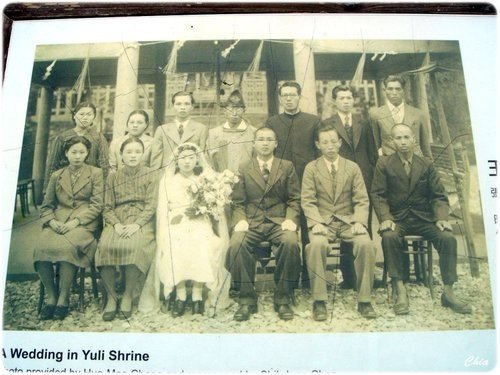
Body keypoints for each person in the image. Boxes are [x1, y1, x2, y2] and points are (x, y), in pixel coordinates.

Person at [371, 123, 471, 315]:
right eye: (398, 138)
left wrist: (441, 217)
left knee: (448, 238)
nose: (403, 142)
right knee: (389, 236)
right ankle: (399, 289)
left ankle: (449, 292)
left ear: (414, 140)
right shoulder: (384, 163)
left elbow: (438, 196)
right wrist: (385, 217)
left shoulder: (426, 164)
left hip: (424, 218)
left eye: (406, 137)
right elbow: (378, 194)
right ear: (392, 142)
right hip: (398, 219)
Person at [141, 142, 231, 317]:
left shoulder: (205, 179)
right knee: (175, 243)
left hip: (200, 219)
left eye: (191, 158)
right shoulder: (168, 181)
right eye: (183, 158)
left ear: (197, 160)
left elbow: (214, 206)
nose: (187, 162)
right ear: (176, 161)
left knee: (205, 242)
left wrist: (203, 208)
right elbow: (163, 209)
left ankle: (197, 295)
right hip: (175, 220)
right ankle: (181, 295)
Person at [302, 125, 377, 321]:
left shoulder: (352, 167)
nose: (330, 146)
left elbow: (362, 199)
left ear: (340, 143)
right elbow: (307, 200)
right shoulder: (311, 168)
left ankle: (365, 300)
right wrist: (316, 222)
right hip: (323, 222)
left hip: (348, 221)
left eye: (334, 142)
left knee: (366, 244)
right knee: (316, 245)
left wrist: (360, 221)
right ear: (318, 145)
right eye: (325, 142)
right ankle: (319, 300)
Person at [225, 127, 301, 321]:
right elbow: (238, 201)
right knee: (236, 244)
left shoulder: (286, 166)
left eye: (269, 139)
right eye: (261, 139)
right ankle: (246, 299)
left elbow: (294, 198)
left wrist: (290, 219)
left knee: (291, 242)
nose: (265, 143)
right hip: (252, 221)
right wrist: (240, 220)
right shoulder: (244, 167)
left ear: (276, 144)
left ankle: (283, 298)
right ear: (254, 143)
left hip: (278, 222)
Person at [34, 136, 103, 321]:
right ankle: (51, 297)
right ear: (66, 153)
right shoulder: (57, 175)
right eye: (73, 152)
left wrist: (75, 222)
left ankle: (63, 298)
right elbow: (46, 206)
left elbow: (97, 206)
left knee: (67, 248)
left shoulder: (96, 173)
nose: (78, 156)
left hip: (84, 224)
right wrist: (52, 222)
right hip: (58, 222)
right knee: (41, 249)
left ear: (87, 153)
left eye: (82, 152)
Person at [265, 81, 322, 284]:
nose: (289, 98)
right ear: (280, 99)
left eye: (293, 94)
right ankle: (289, 278)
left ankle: (309, 277)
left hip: (308, 182)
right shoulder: (272, 123)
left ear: (299, 97)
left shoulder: (313, 121)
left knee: (309, 229)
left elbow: (318, 154)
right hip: (282, 185)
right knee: (287, 231)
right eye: (285, 95)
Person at [95, 137, 157, 321]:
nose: (133, 156)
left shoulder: (152, 174)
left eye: (137, 152)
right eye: (128, 152)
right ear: (121, 155)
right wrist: (117, 225)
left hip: (141, 220)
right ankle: (112, 298)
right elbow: (107, 207)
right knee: (105, 247)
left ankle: (128, 295)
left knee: (135, 246)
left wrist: (136, 224)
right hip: (118, 220)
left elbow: (152, 205)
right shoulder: (113, 177)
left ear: (143, 154)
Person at [322, 84, 378, 289]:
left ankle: (367, 278)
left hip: (363, 177)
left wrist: (371, 175)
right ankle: (349, 277)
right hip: (339, 182)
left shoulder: (364, 122)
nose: (346, 101)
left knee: (362, 225)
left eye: (349, 97)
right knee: (343, 224)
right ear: (335, 101)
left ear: (353, 100)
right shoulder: (328, 123)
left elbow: (372, 153)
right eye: (341, 98)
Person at [44, 102, 109, 191]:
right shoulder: (63, 137)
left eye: (89, 114)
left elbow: (104, 165)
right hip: (66, 184)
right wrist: (48, 190)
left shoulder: (99, 138)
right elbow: (53, 164)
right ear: (74, 116)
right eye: (81, 114)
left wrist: (102, 189)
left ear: (94, 117)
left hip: (90, 185)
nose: (85, 117)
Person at [369, 75, 432, 158]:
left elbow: (425, 147)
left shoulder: (418, 114)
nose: (394, 93)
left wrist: (429, 166)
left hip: (415, 163)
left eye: (398, 89)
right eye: (390, 89)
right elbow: (375, 145)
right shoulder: (376, 115)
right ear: (385, 90)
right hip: (389, 163)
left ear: (403, 91)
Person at [150, 91, 208, 171]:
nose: (182, 107)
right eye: (178, 104)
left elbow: (202, 158)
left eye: (187, 104)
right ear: (173, 106)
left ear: (192, 106)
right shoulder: (162, 130)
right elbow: (156, 160)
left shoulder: (201, 129)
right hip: (168, 176)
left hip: (192, 176)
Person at [207, 90, 256, 173]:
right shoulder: (214, 133)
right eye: (231, 109)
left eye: (238, 109)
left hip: (246, 180)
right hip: (220, 180)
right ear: (225, 111)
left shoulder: (253, 133)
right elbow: (208, 161)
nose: (234, 113)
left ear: (244, 111)